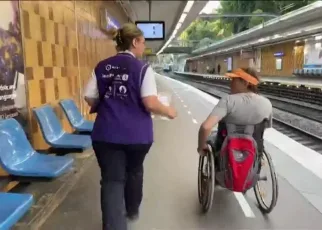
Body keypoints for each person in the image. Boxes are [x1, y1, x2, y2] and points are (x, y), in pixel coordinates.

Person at [84, 23, 177, 230]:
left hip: (106, 134)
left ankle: (114, 225)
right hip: (137, 136)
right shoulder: (142, 68)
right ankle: (132, 209)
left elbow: (89, 96)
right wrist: (169, 111)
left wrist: (109, 106)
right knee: (134, 171)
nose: (143, 47)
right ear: (134, 42)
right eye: (143, 42)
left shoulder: (102, 66)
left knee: (112, 180)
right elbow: (150, 102)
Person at [197, 67, 272, 156]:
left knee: (212, 137)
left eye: (234, 80)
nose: (230, 84)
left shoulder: (228, 100)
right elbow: (264, 128)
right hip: (253, 153)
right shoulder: (267, 103)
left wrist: (201, 147)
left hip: (226, 154)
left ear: (245, 83)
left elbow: (205, 127)